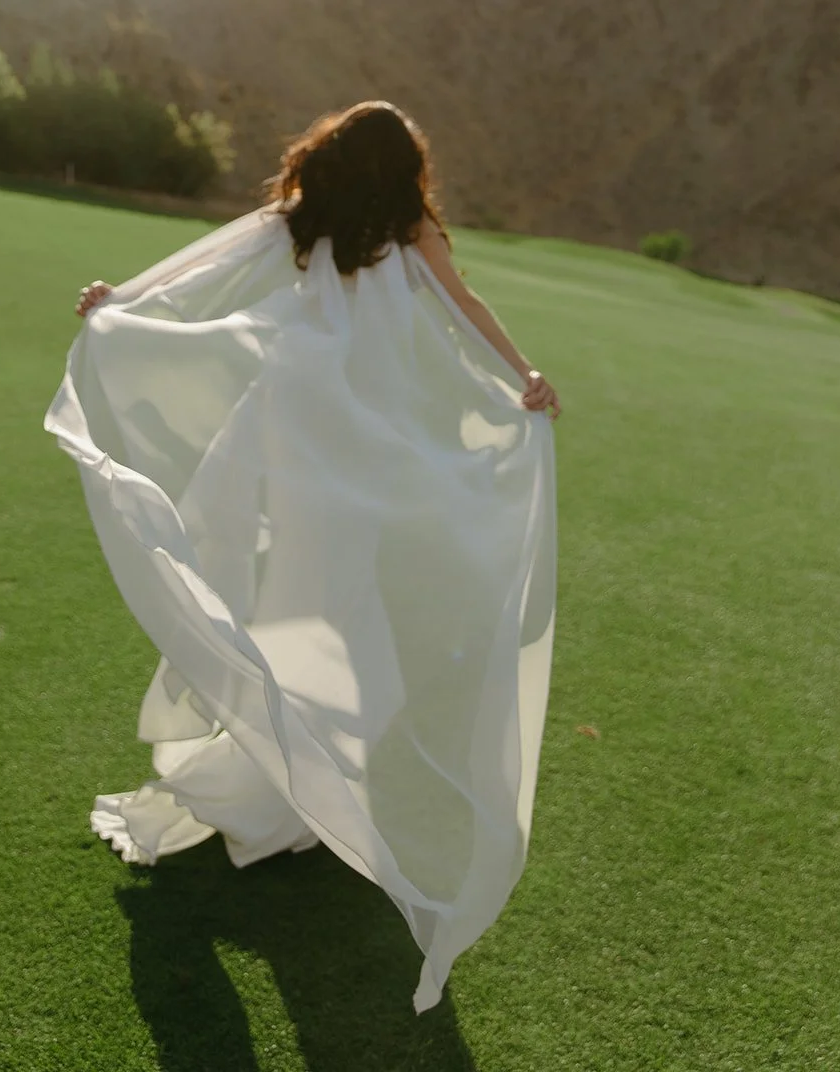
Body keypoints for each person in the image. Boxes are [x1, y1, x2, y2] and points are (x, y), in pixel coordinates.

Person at [46, 100, 559, 1013]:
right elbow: (460, 304)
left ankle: (286, 778)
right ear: (405, 168)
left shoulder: (304, 213)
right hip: (353, 437)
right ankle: (289, 788)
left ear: (327, 154)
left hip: (289, 426)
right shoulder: (405, 226)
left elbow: (204, 263)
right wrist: (521, 373)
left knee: (303, 593)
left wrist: (120, 303)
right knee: (332, 601)